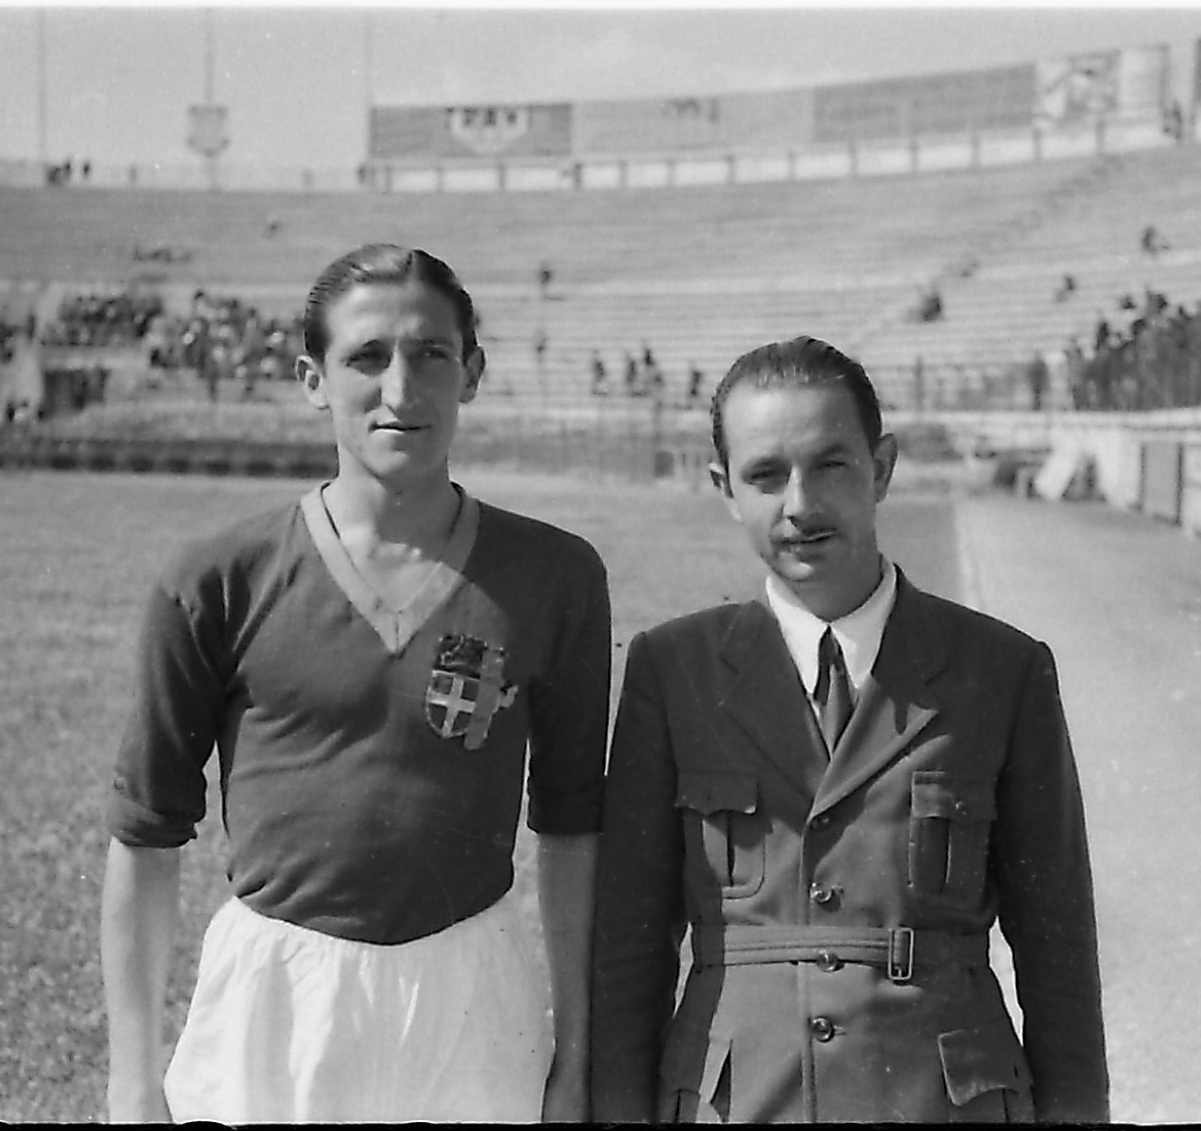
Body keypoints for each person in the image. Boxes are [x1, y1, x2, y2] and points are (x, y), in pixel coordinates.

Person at [102, 243, 611, 1124]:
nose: (401, 388)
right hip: (277, 997)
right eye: (368, 357)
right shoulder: (216, 579)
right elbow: (145, 839)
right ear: (313, 379)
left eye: (430, 354)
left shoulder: (555, 575)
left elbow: (572, 831)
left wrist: (576, 1053)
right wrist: (131, 1079)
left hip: (473, 995)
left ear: (472, 372)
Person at [590, 336, 1106, 1123]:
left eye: (830, 464)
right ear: (725, 488)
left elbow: (1058, 950)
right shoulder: (673, 669)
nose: (800, 504)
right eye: (766, 474)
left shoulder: (1001, 669)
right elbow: (630, 949)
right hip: (737, 1102)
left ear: (883, 467)